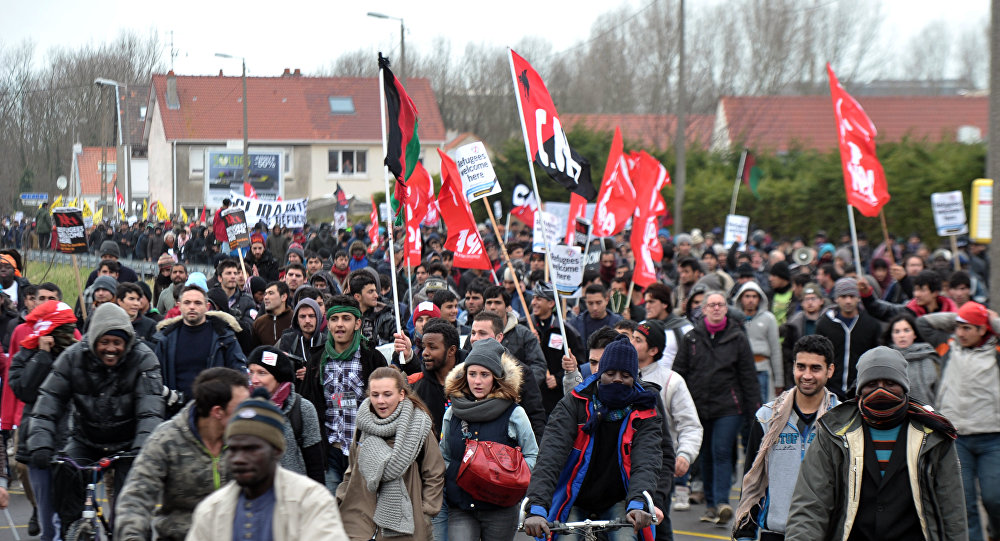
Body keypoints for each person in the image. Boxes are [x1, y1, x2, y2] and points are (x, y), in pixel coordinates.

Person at [785, 346, 967, 541]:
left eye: (890, 383)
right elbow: (811, 505)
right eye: (872, 384)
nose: (881, 390)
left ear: (904, 387)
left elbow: (952, 508)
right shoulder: (834, 432)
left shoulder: (934, 435)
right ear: (860, 389)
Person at [28, 303, 165, 534]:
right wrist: (40, 442)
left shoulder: (144, 359)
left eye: (117, 343)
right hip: (86, 440)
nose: (111, 348)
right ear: (93, 341)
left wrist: (145, 448)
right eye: (104, 342)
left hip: (129, 445)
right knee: (65, 481)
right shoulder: (72, 357)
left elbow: (150, 410)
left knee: (130, 511)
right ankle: (72, 531)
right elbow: (48, 400)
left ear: (127, 342)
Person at [523, 334, 660, 540]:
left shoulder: (645, 409)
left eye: (625, 375)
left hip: (621, 499)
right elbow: (550, 455)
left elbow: (647, 460)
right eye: (610, 373)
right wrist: (537, 506)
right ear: (599, 374)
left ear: (635, 378)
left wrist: (639, 502)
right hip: (573, 497)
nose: (616, 379)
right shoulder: (574, 403)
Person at [186, 392, 349, 540]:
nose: (239, 459)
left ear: (277, 451)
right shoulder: (211, 510)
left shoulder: (310, 501)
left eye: (252, 449)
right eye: (233, 449)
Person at [114, 368, 250, 541]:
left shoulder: (247, 440)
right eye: (241, 407)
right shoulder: (167, 440)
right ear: (217, 412)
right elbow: (136, 498)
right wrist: (132, 537)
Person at [733, 335, 840, 541]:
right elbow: (752, 481)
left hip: (824, 532)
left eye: (815, 368)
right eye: (801, 367)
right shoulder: (767, 417)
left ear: (830, 370)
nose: (806, 375)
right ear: (793, 367)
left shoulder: (842, 420)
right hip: (775, 531)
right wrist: (745, 534)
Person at [672, 290, 760, 525]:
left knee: (721, 451)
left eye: (720, 304)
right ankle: (711, 505)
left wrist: (755, 410)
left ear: (726, 309)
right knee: (705, 456)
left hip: (728, 406)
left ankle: (722, 502)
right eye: (711, 305)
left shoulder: (737, 337)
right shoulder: (691, 337)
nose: (716, 308)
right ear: (703, 309)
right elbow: (679, 372)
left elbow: (748, 375)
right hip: (698, 406)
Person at [916, 301, 1000, 541]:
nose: (959, 332)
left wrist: (989, 319)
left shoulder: (996, 350)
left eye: (967, 328)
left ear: (983, 330)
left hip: (992, 438)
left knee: (995, 498)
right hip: (956, 439)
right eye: (958, 327)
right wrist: (961, 316)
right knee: (965, 504)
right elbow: (923, 323)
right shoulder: (949, 347)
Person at [440, 338, 538, 540]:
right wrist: (456, 477)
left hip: (500, 509)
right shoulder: (453, 413)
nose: (477, 381)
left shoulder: (514, 413)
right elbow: (444, 454)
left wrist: (514, 483)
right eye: (472, 374)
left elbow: (532, 453)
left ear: (495, 378)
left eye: (484, 375)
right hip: (460, 506)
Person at [336, 367, 445, 540]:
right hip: (360, 522)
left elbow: (434, 472)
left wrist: (425, 512)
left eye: (387, 394)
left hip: (407, 527)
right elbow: (352, 469)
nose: (380, 401)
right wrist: (341, 499)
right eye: (375, 394)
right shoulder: (362, 427)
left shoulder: (418, 427)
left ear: (402, 394)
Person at [298, 294, 387, 494]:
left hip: (364, 451)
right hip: (329, 452)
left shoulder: (372, 358)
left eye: (346, 319)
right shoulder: (316, 362)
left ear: (357, 324)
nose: (340, 324)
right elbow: (308, 405)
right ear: (327, 324)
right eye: (334, 319)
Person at [9, 300, 78, 541]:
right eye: (64, 328)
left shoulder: (78, 354)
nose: (70, 334)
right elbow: (25, 390)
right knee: (49, 522)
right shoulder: (26, 355)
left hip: (72, 446)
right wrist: (42, 356)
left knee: (69, 518)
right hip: (38, 446)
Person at [631, 319, 703, 517]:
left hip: (658, 469)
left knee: (658, 524)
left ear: (653, 350)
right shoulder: (619, 376)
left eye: (638, 340)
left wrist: (684, 454)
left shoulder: (672, 381)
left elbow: (690, 424)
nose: (631, 343)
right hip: (625, 465)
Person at [152, 284, 248, 402]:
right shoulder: (166, 338)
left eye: (198, 303)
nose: (192, 307)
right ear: (179, 306)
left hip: (214, 410)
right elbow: (155, 378)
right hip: (174, 410)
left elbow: (239, 372)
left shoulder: (224, 336)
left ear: (207, 306)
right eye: (187, 302)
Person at [247, 346, 324, 484]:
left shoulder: (302, 409)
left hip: (294, 497)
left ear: (279, 376)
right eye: (251, 372)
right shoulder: (245, 410)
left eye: (262, 373)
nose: (254, 379)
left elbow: (315, 465)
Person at [815, 277, 881, 400]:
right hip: (831, 389)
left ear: (858, 298)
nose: (848, 301)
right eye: (844, 296)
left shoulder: (870, 324)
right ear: (836, 298)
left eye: (852, 296)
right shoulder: (825, 323)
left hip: (861, 390)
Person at [530, 282, 586, 414]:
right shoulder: (526, 326)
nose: (533, 302)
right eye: (533, 298)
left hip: (556, 402)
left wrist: (559, 379)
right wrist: (530, 342)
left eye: (538, 298)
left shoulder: (566, 331)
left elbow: (580, 365)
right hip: (531, 398)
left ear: (551, 303)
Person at [479, 285, 547, 384]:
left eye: (498, 303)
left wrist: (519, 388)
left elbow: (538, 367)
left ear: (507, 307)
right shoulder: (475, 335)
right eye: (489, 303)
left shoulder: (525, 335)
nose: (492, 307)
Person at [734, 281, 784, 402]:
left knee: (763, 409)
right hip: (740, 370)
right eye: (747, 296)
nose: (751, 300)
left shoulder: (769, 318)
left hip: (762, 369)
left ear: (759, 299)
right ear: (741, 298)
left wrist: (779, 381)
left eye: (754, 296)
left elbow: (775, 350)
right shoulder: (734, 319)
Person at [882, 313, 940, 407]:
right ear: (891, 336)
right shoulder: (884, 360)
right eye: (897, 332)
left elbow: (939, 390)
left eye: (906, 330)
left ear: (914, 334)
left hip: (929, 413)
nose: (902, 335)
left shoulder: (929, 357)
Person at [277, 297, 325, 372]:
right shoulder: (287, 340)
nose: (307, 321)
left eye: (311, 316)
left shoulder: (327, 342)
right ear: (297, 320)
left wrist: (311, 375)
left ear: (318, 318)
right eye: (302, 316)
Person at [252, 281, 293, 348]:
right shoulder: (259, 323)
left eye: (271, 293)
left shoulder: (295, 319)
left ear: (283, 297)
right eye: (265, 294)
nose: (265, 297)